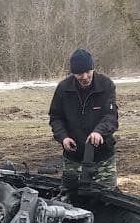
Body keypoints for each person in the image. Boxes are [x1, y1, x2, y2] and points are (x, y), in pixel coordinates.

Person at [49, 49, 119, 189]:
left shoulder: (106, 85)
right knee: (71, 200)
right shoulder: (63, 88)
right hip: (73, 157)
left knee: (107, 199)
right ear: (73, 73)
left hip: (102, 157)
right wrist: (63, 138)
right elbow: (55, 117)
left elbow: (111, 117)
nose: (85, 77)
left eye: (88, 71)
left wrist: (99, 132)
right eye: (80, 73)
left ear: (93, 68)